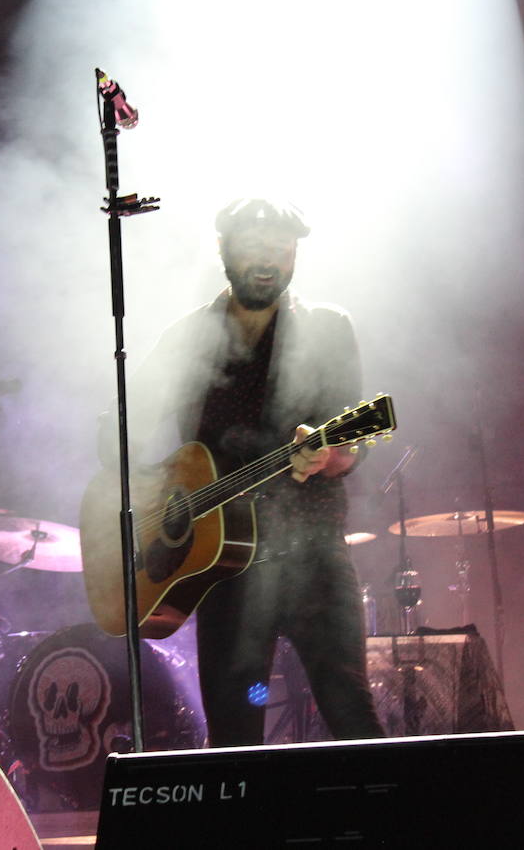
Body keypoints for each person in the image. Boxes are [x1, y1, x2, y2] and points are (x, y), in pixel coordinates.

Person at [117, 198, 383, 746]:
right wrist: (152, 494)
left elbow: (354, 443)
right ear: (221, 249)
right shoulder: (186, 339)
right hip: (224, 569)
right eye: (254, 247)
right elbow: (121, 437)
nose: (269, 262)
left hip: (312, 552)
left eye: (282, 250)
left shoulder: (327, 328)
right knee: (234, 736)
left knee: (350, 710)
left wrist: (328, 455)